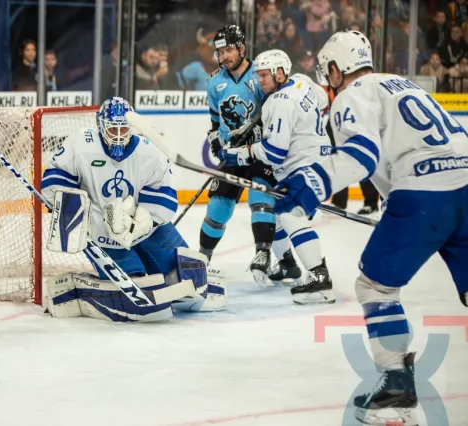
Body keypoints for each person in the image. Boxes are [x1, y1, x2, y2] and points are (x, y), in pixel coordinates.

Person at [275, 30, 468, 425]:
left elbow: (360, 156)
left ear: (335, 67)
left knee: (375, 287)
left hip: (425, 195)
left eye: (327, 71)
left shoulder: (353, 93)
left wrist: (312, 181)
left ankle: (397, 391)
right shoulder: (402, 84)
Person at [40, 97, 225, 322]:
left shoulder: (149, 152)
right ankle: (81, 293)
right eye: (112, 130)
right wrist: (85, 215)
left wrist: (141, 221)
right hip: (100, 230)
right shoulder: (81, 144)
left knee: (189, 276)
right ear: (101, 126)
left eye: (123, 128)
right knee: (134, 283)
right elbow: (53, 182)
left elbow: (163, 194)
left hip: (144, 227)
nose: (118, 135)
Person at [218, 49, 335, 304]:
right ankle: (287, 265)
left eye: (264, 75)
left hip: (306, 165)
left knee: (290, 212)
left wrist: (240, 154)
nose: (260, 80)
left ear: (280, 73)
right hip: (318, 159)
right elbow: (324, 101)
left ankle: (319, 276)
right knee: (278, 213)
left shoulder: (278, 102)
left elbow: (275, 152)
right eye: (258, 75)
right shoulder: (302, 81)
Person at [201, 24, 280, 284]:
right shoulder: (215, 82)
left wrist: (258, 126)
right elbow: (214, 120)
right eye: (219, 52)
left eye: (228, 50)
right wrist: (215, 141)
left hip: (259, 153)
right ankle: (203, 257)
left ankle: (263, 254)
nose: (223, 57)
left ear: (242, 48)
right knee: (218, 205)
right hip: (233, 155)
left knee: (260, 195)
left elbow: (276, 105)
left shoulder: (260, 72)